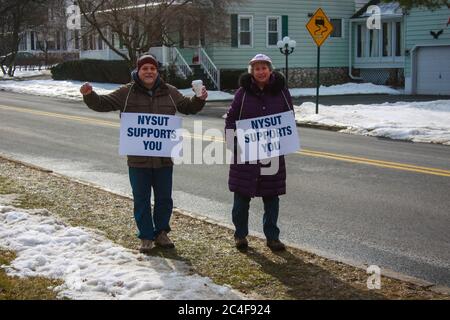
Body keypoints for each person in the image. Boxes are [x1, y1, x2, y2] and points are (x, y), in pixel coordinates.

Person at [80, 54, 208, 253]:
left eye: (153, 69)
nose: (149, 72)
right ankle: (146, 236)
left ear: (157, 71)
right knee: (141, 198)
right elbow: (103, 103)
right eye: (145, 69)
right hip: (138, 159)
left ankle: (161, 233)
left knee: (164, 198)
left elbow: (188, 107)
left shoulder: (170, 92)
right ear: (138, 72)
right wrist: (89, 95)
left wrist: (199, 99)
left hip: (164, 158)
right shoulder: (127, 92)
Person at [225, 53, 293, 251]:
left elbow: (288, 118)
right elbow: (230, 119)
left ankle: (272, 237)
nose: (261, 71)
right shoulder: (242, 94)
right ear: (251, 72)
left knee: (271, 198)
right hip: (244, 153)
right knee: (241, 198)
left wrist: (286, 142)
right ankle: (240, 235)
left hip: (271, 153)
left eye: (264, 68)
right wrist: (231, 143)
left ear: (270, 70)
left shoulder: (281, 92)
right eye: (257, 68)